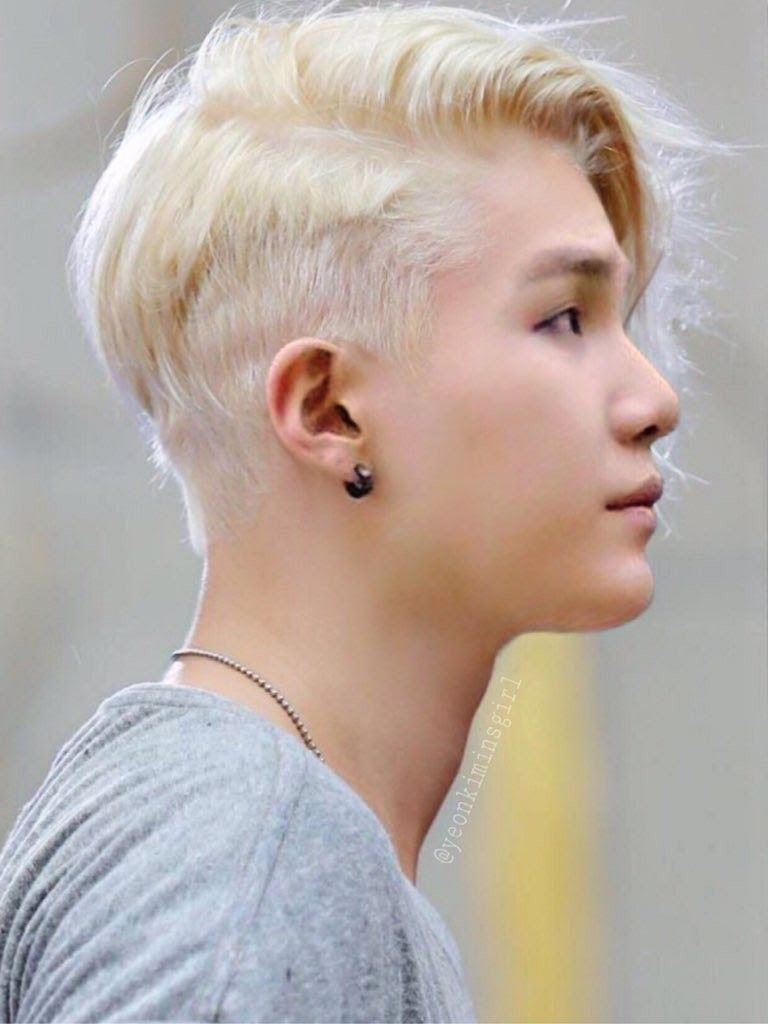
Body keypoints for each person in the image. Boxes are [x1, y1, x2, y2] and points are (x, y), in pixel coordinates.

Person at [0, 1, 734, 1021]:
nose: (656, 399)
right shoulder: (253, 865)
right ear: (328, 410)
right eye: (563, 316)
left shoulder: (255, 841)